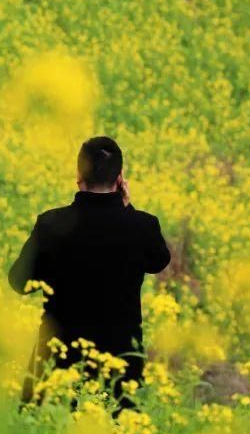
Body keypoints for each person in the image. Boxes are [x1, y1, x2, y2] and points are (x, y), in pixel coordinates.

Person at [9, 137, 171, 411]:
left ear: (78, 175)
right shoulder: (142, 226)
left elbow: (18, 283)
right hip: (119, 372)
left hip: (56, 366)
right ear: (120, 178)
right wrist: (127, 208)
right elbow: (159, 261)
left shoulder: (51, 224)